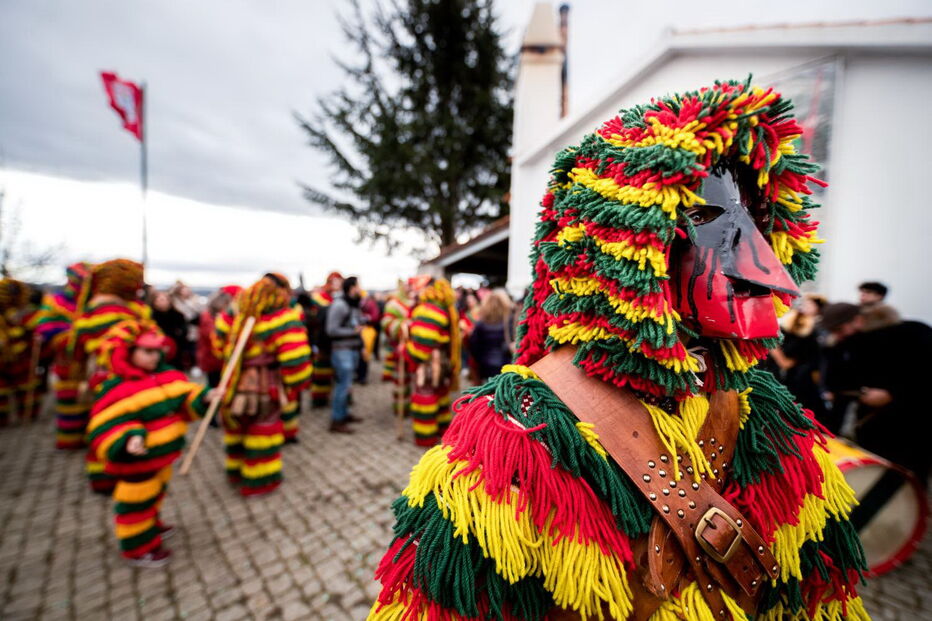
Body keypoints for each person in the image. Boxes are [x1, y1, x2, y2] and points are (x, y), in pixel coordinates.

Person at [368, 80, 867, 620]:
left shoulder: (771, 421)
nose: (763, 267)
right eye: (705, 217)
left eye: (753, 222)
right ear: (611, 246)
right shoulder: (513, 437)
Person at [85, 320, 214, 567]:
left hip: (161, 459)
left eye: (157, 350)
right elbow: (104, 426)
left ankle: (152, 525)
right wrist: (130, 438)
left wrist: (204, 396)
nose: (155, 356)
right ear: (127, 352)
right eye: (147, 351)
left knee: (155, 494)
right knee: (135, 504)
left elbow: (184, 400)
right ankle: (138, 547)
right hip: (138, 462)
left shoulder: (167, 376)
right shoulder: (116, 388)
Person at [214, 273, 312, 494]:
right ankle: (260, 478)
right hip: (264, 383)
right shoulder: (283, 319)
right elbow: (295, 360)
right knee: (262, 428)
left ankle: (236, 470)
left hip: (237, 380)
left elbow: (219, 346)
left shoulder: (238, 318)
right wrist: (295, 385)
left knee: (239, 426)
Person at [821, 302, 932, 486]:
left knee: (908, 477)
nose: (837, 335)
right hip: (873, 425)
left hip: (914, 421)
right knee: (875, 475)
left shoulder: (913, 333)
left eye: (839, 329)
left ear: (857, 320)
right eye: (833, 331)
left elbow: (922, 373)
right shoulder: (848, 343)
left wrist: (893, 393)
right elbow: (834, 382)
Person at [72, 259, 150, 494]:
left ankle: (101, 475)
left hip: (98, 377)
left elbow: (78, 349)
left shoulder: (89, 311)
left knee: (101, 425)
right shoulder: (118, 313)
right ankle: (116, 475)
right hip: (119, 378)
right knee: (119, 425)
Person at [33, 263, 93, 446]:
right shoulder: (56, 301)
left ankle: (89, 434)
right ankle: (70, 437)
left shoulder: (93, 302)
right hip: (67, 359)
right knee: (69, 397)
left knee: (91, 396)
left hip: (89, 358)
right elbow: (44, 325)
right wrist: (67, 335)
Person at [403, 277, 460, 446]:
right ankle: (442, 430)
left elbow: (422, 347)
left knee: (425, 398)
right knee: (441, 396)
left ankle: (425, 437)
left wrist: (406, 350)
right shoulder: (444, 308)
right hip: (442, 362)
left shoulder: (428, 310)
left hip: (428, 366)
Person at [768, 293, 828, 424]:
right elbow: (775, 341)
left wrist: (789, 361)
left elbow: (812, 354)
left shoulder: (816, 328)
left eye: (809, 304)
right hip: (780, 369)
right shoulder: (790, 321)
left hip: (799, 373)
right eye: (805, 303)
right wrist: (781, 359)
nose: (804, 306)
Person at [0, 278, 43, 425]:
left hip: (22, 357)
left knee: (27, 384)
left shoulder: (25, 313)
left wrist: (35, 337)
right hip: (3, 357)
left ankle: (27, 412)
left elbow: (31, 329)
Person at [326, 276, 364, 433]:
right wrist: (352, 331)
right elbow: (331, 330)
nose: (360, 288)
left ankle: (343, 414)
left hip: (351, 350)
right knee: (342, 386)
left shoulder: (352, 304)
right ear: (351, 287)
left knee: (347, 385)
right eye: (358, 285)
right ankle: (336, 420)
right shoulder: (339, 305)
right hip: (342, 351)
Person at [308, 271, 343, 407]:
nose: (336, 284)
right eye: (334, 281)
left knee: (340, 373)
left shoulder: (341, 298)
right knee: (322, 371)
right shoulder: (318, 298)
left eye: (339, 281)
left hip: (338, 341)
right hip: (322, 341)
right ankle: (319, 400)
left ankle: (342, 399)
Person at [467, 288, 515, 382]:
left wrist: (479, 359)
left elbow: (473, 345)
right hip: (505, 363)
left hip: (485, 365)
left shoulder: (480, 323)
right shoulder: (509, 321)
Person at [149, 290, 187, 369]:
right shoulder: (151, 317)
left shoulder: (178, 316)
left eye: (164, 299)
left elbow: (184, 332)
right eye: (159, 300)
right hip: (157, 347)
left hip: (176, 350)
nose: (162, 302)